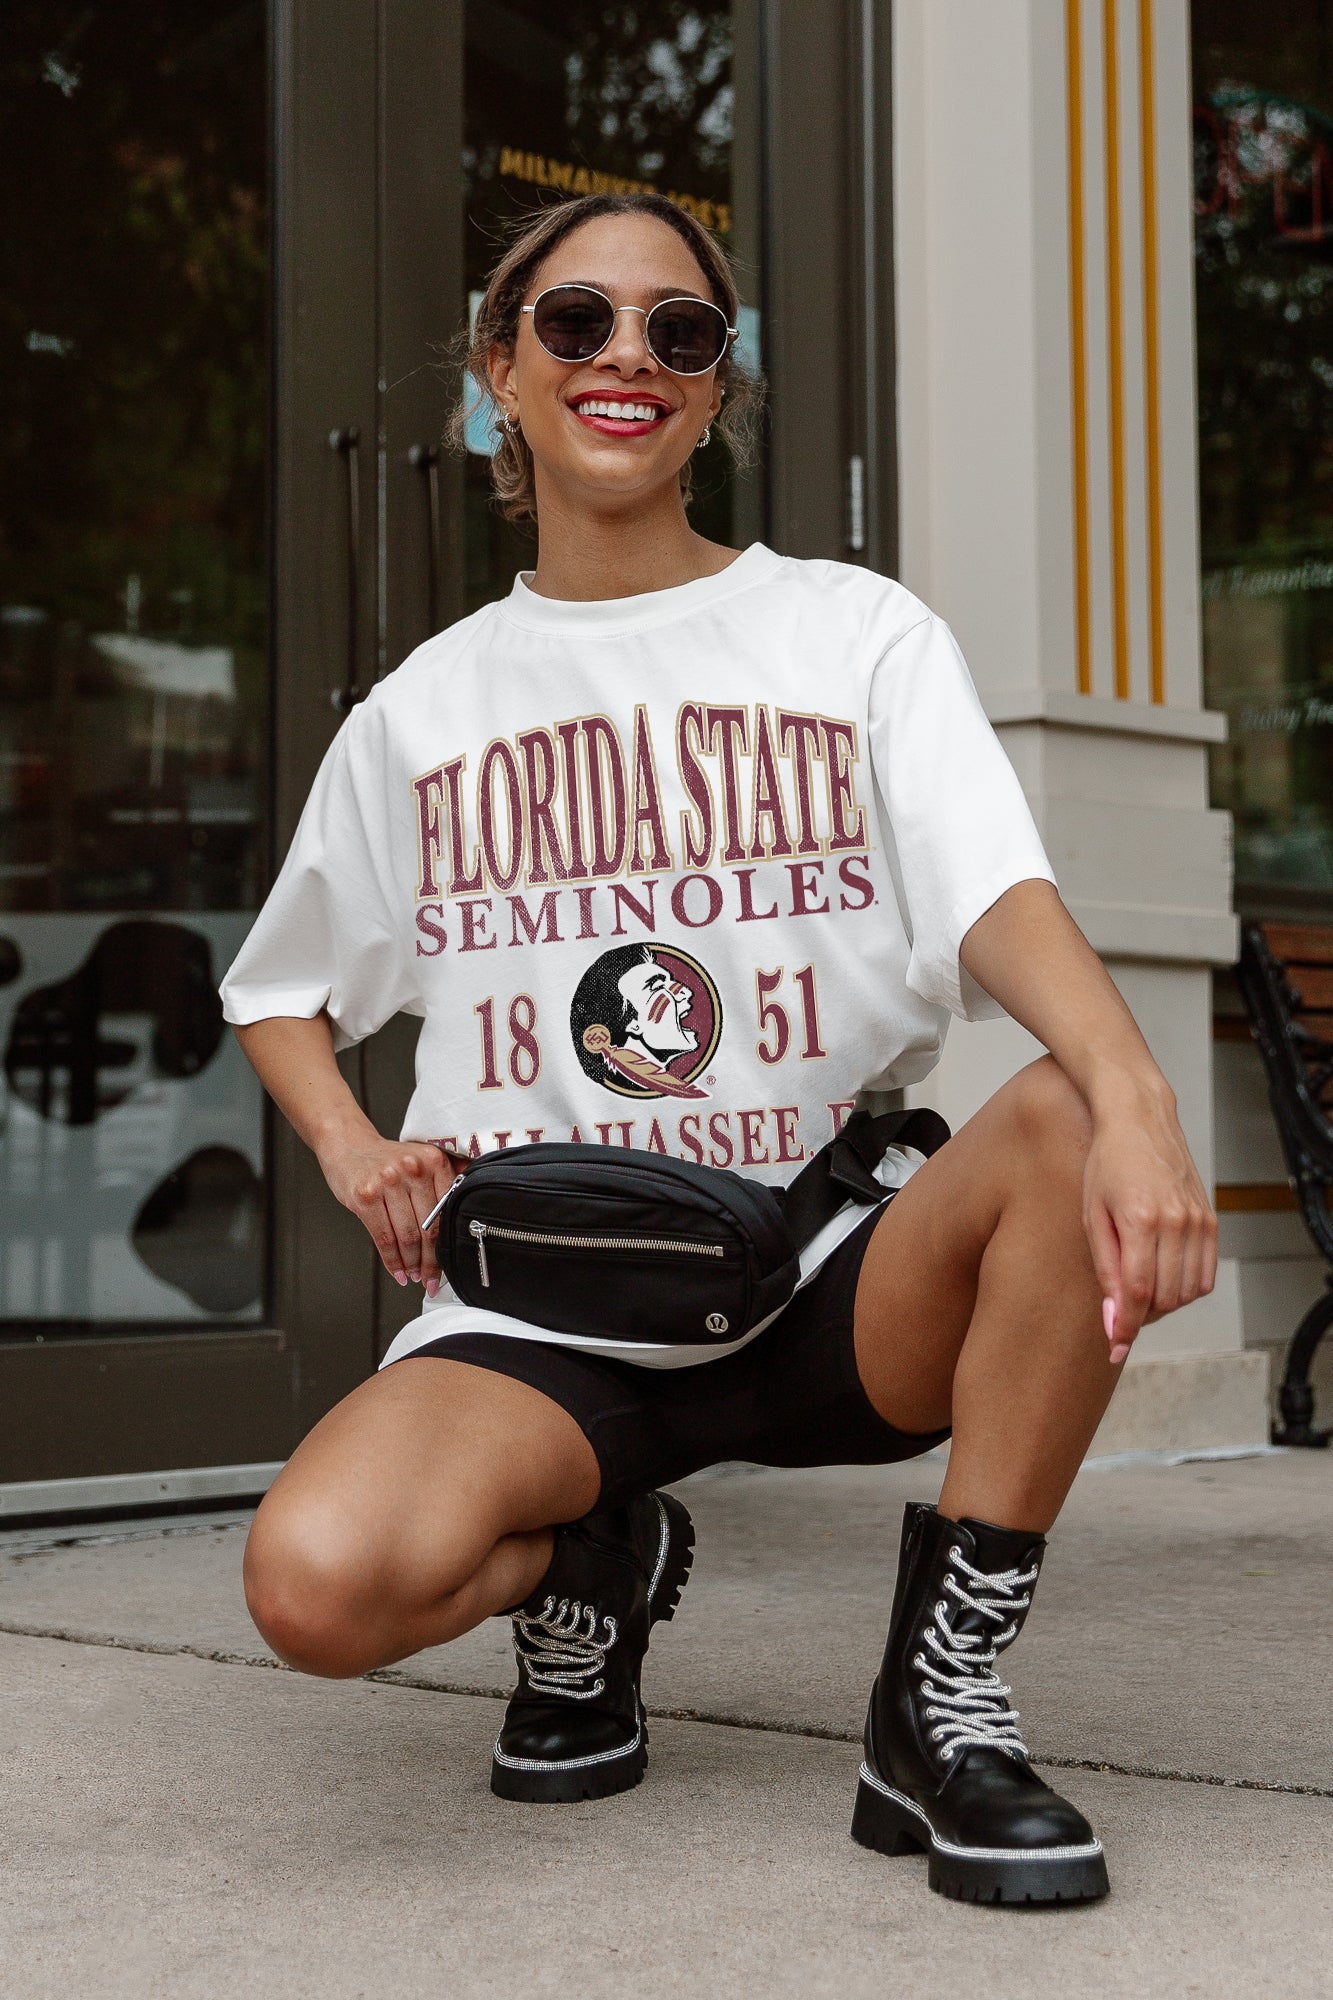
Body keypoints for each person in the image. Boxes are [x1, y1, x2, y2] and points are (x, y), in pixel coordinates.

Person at [222, 191, 1216, 1907]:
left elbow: (993, 892)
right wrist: (348, 1143)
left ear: (714, 386)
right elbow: (279, 988)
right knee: (315, 1589)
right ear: (500, 372)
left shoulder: (854, 635)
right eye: (575, 322)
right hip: (546, 1306)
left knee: (1066, 1114)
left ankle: (938, 1703)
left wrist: (1134, 1098)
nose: (626, 355)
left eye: (676, 330)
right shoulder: (422, 712)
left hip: (823, 1272)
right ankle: (589, 1563)